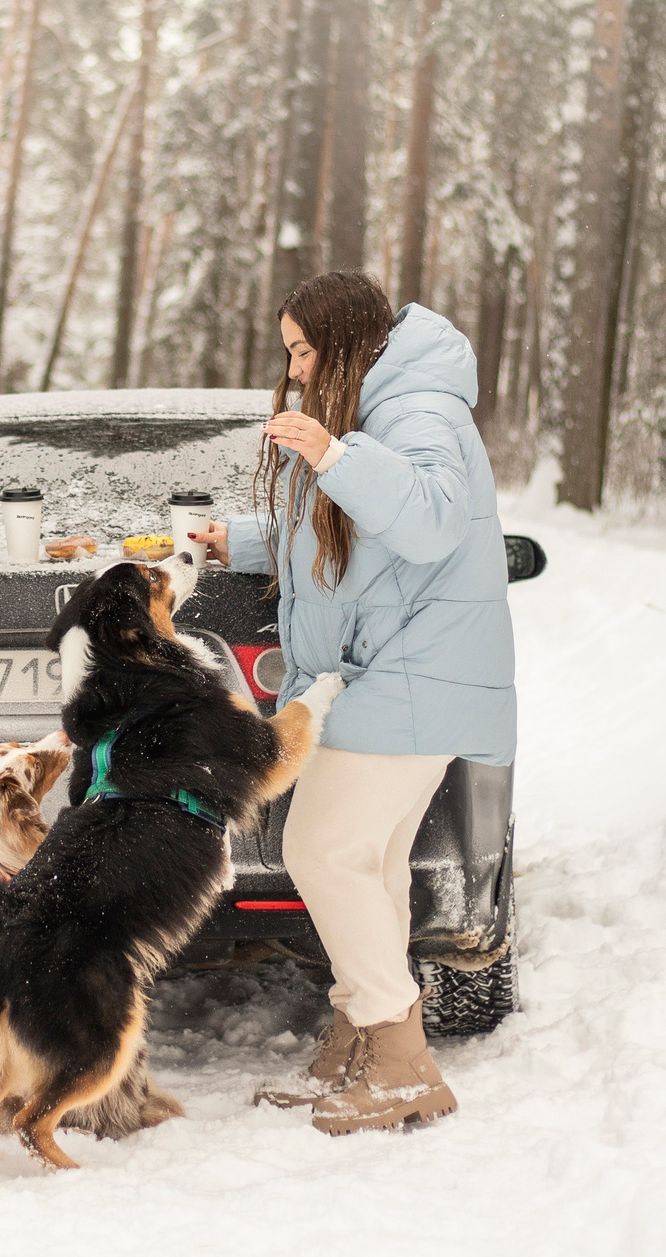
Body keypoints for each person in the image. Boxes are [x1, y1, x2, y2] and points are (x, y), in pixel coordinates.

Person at [191, 270, 514, 1136]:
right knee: (369, 864)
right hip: (394, 673)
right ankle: (360, 1045)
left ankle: (402, 1061)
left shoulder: (418, 409)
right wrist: (241, 540)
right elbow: (348, 530)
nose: (293, 370)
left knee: (322, 848)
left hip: (410, 673)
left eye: (302, 351)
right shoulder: (380, 404)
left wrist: (334, 456)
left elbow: (431, 520)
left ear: (341, 341)